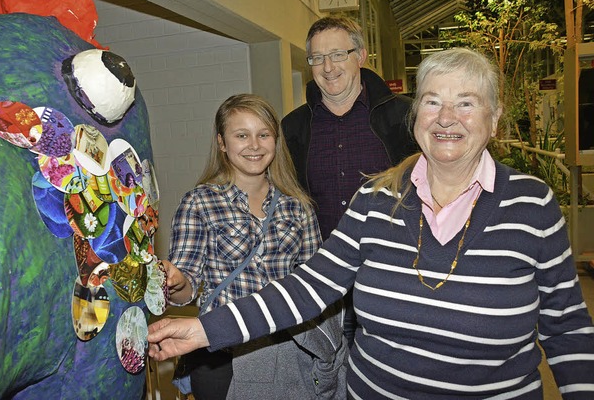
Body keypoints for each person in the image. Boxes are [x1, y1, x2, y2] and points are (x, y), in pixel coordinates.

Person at [148, 49, 594, 399]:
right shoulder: (374, 200)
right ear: (415, 116)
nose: (446, 118)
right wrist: (205, 329)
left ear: (494, 120)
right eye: (433, 102)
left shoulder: (532, 204)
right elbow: (310, 286)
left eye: (466, 103)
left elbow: (567, 328)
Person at [159, 94, 347, 400]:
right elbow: (186, 290)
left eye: (263, 134)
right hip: (222, 351)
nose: (254, 145)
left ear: (276, 140)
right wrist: (176, 281)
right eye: (241, 135)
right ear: (222, 143)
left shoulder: (297, 207)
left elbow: (312, 287)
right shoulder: (199, 202)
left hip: (286, 347)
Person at [282, 16, 418, 346]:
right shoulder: (294, 128)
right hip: (326, 282)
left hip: (393, 276)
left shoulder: (405, 117)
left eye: (338, 54)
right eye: (317, 58)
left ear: (361, 55)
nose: (328, 67)